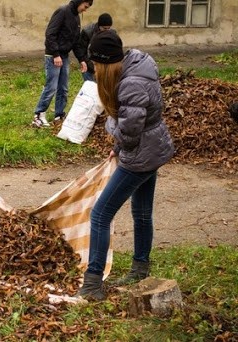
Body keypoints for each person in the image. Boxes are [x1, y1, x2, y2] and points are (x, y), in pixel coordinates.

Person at [77, 30, 175, 300]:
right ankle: (141, 267)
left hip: (142, 155)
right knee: (142, 213)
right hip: (151, 149)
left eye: (96, 65)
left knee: (99, 215)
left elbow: (130, 134)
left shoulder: (131, 84)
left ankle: (93, 284)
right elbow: (133, 126)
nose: (95, 70)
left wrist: (110, 125)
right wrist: (116, 147)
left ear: (105, 62)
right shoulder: (136, 67)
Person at [32, 0, 93, 128]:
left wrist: (82, 59)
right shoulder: (62, 11)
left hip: (64, 56)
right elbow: (50, 33)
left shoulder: (76, 17)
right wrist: (55, 54)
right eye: (85, 6)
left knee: (63, 88)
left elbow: (76, 42)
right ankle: (38, 115)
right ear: (80, 2)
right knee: (51, 87)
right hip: (54, 56)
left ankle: (59, 115)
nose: (85, 10)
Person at [78, 12, 114, 82]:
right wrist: (92, 67)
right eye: (104, 28)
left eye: (109, 28)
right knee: (90, 89)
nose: (107, 30)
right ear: (99, 26)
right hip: (89, 66)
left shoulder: (112, 33)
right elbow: (82, 52)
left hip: (104, 67)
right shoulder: (87, 32)